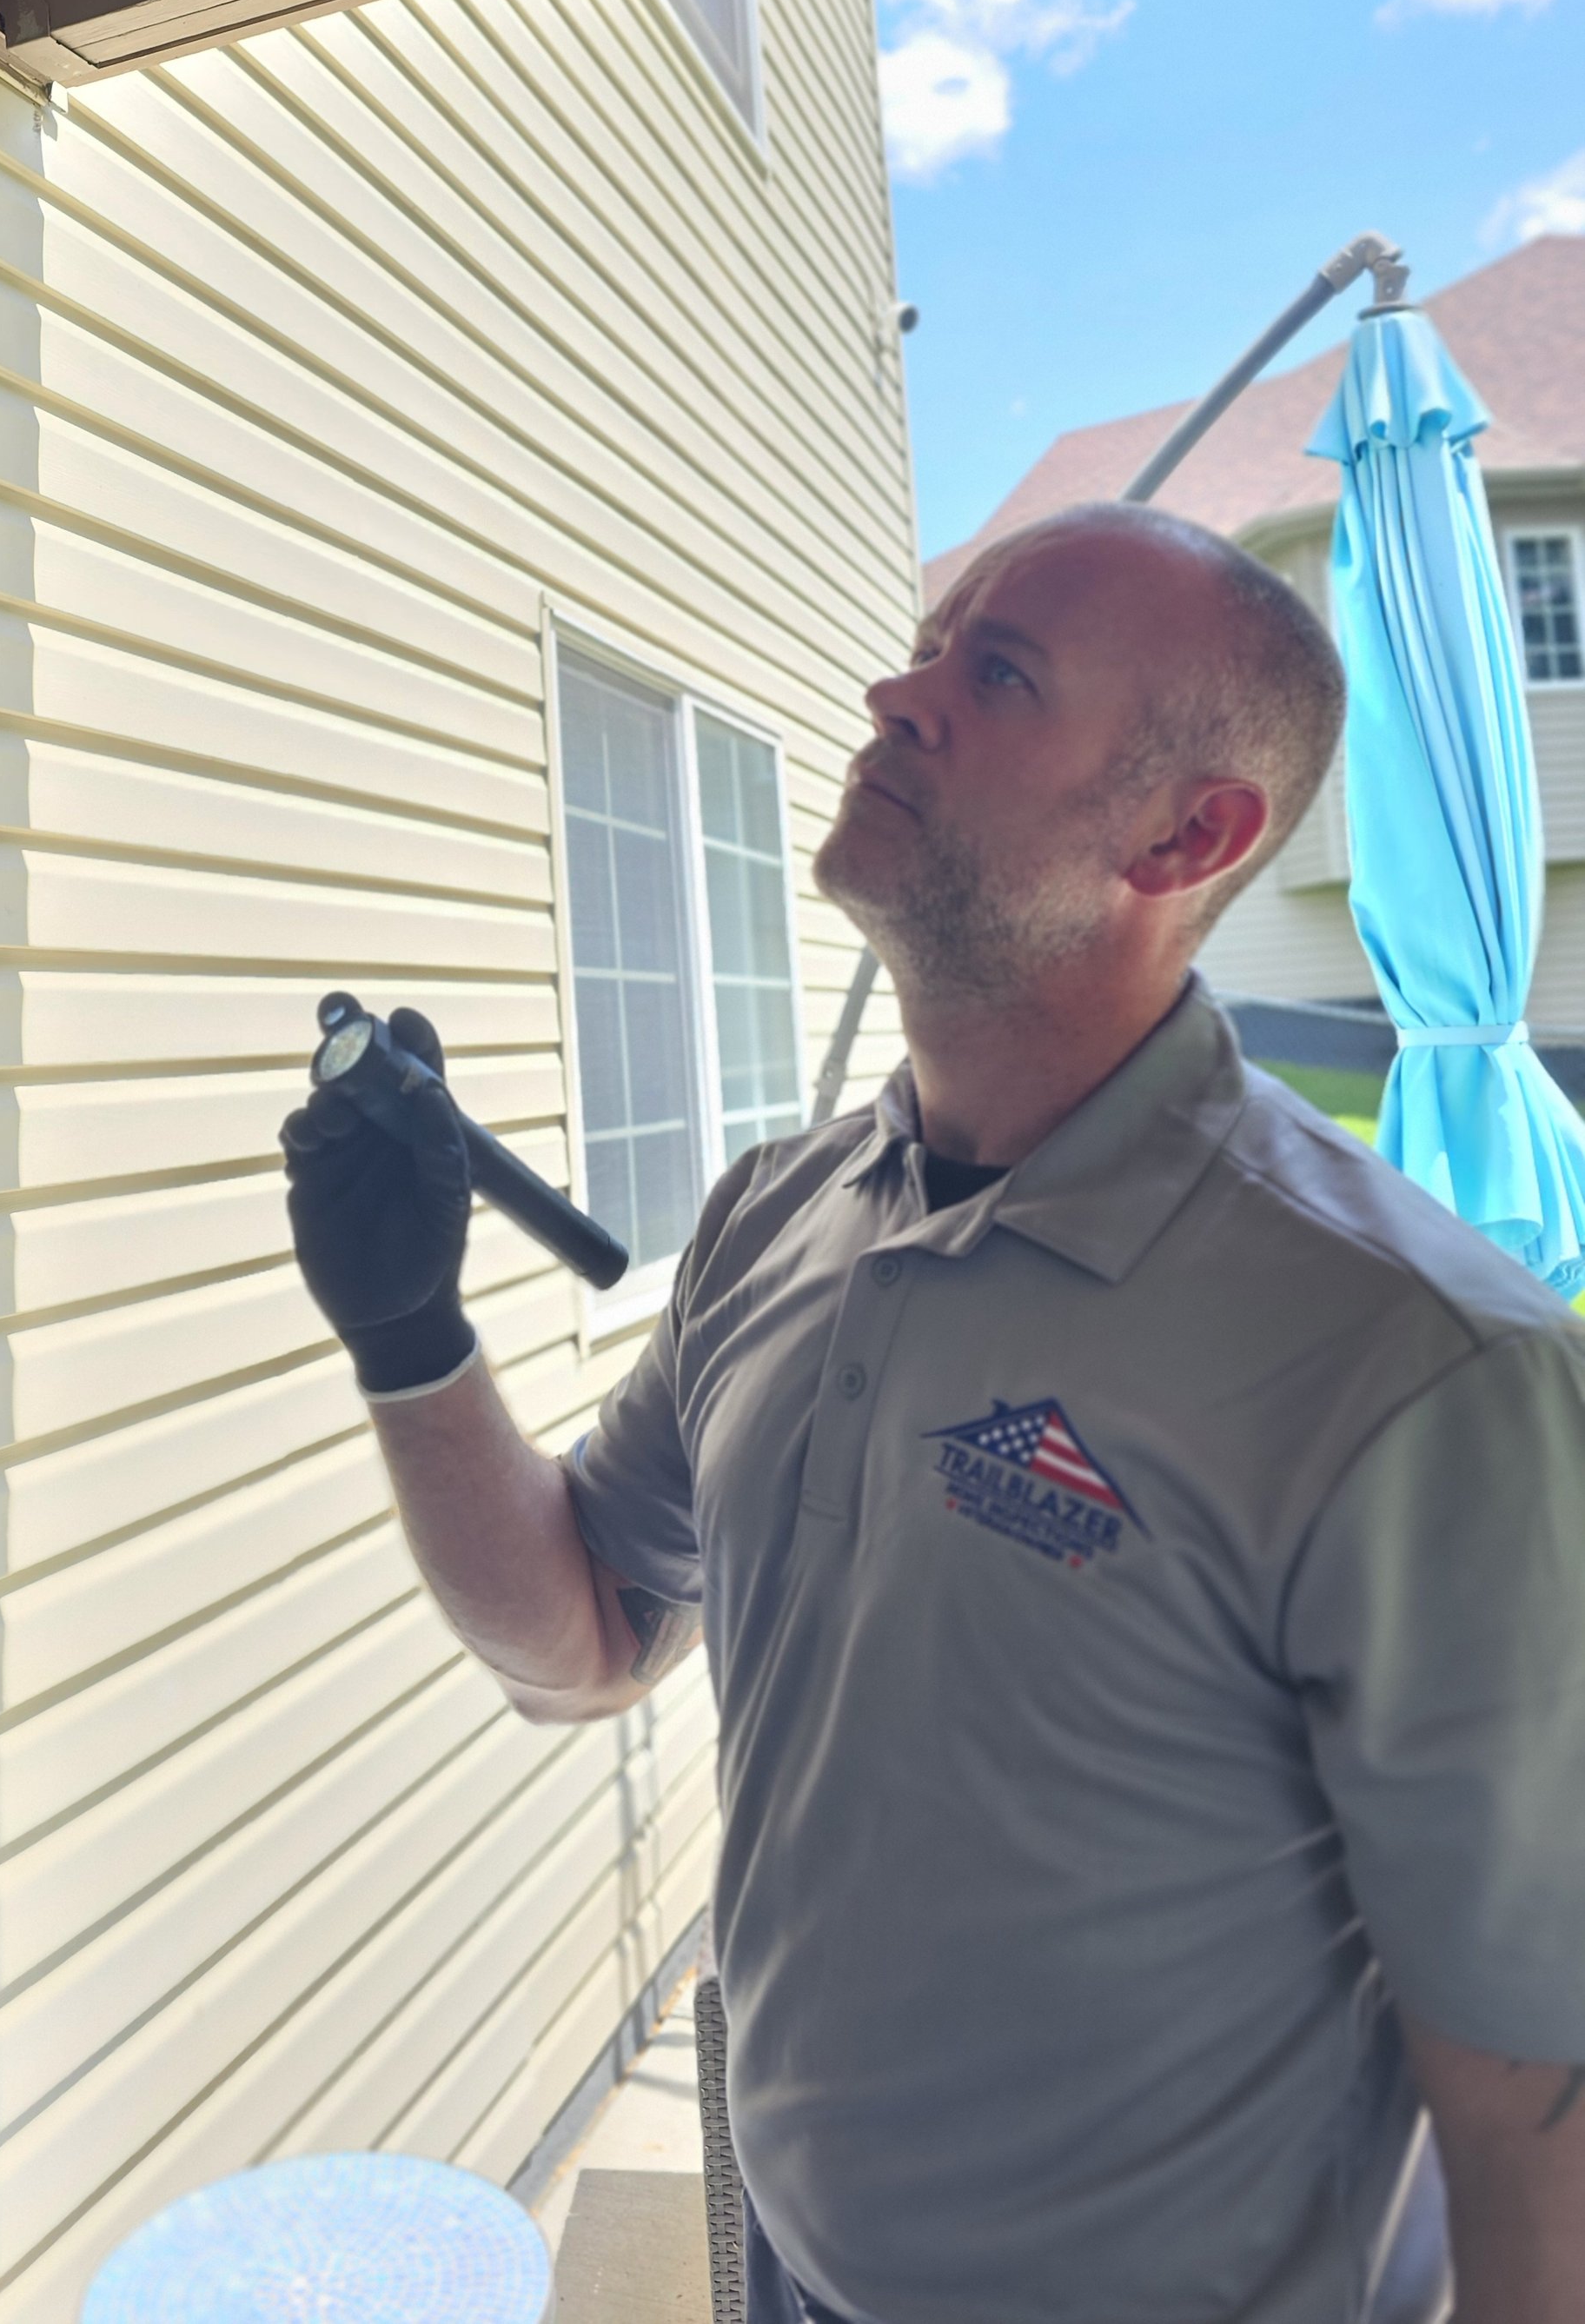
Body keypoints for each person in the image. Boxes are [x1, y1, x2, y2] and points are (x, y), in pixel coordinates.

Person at [281, 503, 1585, 2324]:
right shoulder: (768, 1218)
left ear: (1182, 833)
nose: (894, 696)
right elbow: (579, 1641)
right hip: (795, 2275)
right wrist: (408, 1336)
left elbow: (1532, 2104)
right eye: (926, 645)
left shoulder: (1408, 1357)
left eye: (995, 672)